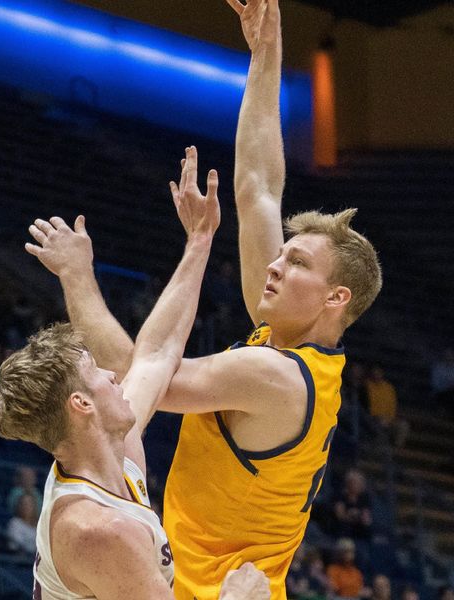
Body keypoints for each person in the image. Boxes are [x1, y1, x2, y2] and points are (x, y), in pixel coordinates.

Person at [26, 2, 382, 597]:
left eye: (296, 262)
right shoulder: (284, 344)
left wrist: (80, 279)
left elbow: (142, 372)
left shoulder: (277, 375)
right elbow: (260, 188)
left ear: (334, 298)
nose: (274, 262)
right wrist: (266, 55)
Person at [0, 152, 268, 599]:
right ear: (81, 405)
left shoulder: (113, 453)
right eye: (95, 373)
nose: (111, 373)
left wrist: (200, 240)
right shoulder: (99, 531)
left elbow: (156, 355)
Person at [365, 365, 409, 448]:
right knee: (381, 423)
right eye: (375, 372)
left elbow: (392, 406)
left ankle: (396, 449)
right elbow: (368, 405)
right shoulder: (367, 386)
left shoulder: (389, 388)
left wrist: (390, 418)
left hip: (389, 419)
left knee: (403, 425)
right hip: (373, 418)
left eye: (378, 372)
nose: (377, 374)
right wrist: (376, 417)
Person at [430, 348, 454, 421]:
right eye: (447, 355)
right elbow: (435, 385)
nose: (449, 357)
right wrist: (449, 386)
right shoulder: (438, 368)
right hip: (442, 393)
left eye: (451, 355)